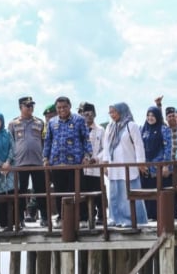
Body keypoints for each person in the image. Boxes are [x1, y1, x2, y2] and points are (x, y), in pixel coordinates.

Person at [42, 96, 92, 226]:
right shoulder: (52, 122)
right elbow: (48, 141)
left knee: (77, 190)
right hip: (57, 162)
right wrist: (45, 158)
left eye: (64, 107)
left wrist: (87, 156)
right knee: (60, 191)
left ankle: (83, 218)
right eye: (59, 107)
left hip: (75, 162)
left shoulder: (79, 120)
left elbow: (86, 139)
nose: (62, 110)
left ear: (69, 106)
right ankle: (62, 217)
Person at [101, 102, 148, 227]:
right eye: (110, 112)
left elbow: (139, 145)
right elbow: (106, 146)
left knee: (129, 192)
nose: (112, 115)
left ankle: (132, 218)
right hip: (114, 166)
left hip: (128, 165)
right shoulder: (110, 127)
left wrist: (140, 163)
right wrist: (105, 163)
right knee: (114, 193)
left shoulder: (131, 125)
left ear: (121, 111)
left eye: (114, 112)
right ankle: (115, 218)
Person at [8, 96, 47, 227]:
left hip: (38, 163)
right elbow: (10, 143)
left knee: (41, 191)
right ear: (20, 107)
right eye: (27, 105)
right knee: (20, 192)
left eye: (31, 105)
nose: (30, 108)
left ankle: (45, 218)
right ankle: (19, 219)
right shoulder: (13, 124)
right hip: (20, 164)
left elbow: (44, 142)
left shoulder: (40, 123)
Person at [140, 106, 174, 220]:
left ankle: (165, 215)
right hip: (147, 167)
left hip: (159, 167)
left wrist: (166, 164)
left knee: (162, 190)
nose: (150, 118)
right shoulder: (143, 129)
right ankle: (150, 215)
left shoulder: (163, 129)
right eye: (148, 116)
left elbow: (168, 147)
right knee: (148, 190)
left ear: (157, 117)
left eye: (153, 116)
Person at [80, 102, 105, 223]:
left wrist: (96, 158)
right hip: (83, 167)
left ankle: (101, 216)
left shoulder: (101, 130)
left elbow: (105, 148)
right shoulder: (79, 129)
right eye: (86, 114)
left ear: (94, 114)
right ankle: (87, 217)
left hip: (95, 167)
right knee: (84, 192)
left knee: (99, 192)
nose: (88, 116)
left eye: (91, 114)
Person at [155, 96, 177, 160]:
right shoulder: (165, 130)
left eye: (173, 116)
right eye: (169, 116)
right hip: (168, 164)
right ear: (166, 118)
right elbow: (159, 118)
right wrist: (158, 105)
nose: (171, 118)